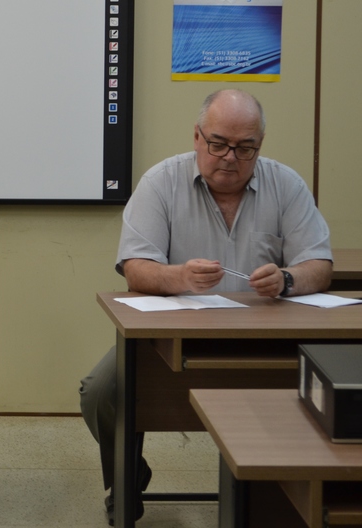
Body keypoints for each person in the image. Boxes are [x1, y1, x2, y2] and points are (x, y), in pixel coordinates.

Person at [79, 89, 333, 525]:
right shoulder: (161, 181)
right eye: (218, 144)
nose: (230, 157)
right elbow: (135, 268)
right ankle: (127, 474)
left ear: (259, 146)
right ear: (197, 137)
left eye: (245, 148)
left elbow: (319, 265)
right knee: (102, 394)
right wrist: (179, 277)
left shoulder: (285, 184)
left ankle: (282, 492)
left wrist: (287, 279)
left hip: (269, 337)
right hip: (173, 336)